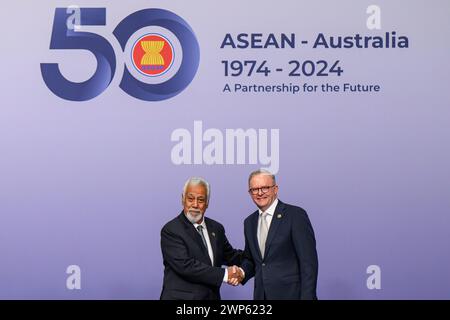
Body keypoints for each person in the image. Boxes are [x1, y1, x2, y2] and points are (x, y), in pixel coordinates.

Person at [239, 169, 318, 299]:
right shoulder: (249, 222)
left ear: (275, 189)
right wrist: (241, 273)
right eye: (254, 189)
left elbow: (308, 263)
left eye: (264, 188)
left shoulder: (295, 215)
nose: (259, 193)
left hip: (292, 295)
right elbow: (252, 260)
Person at [160, 177, 243, 300]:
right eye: (190, 199)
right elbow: (187, 266)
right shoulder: (171, 230)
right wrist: (226, 274)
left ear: (207, 203)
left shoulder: (216, 228)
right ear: (182, 199)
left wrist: (257, 256)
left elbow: (231, 256)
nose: (195, 204)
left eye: (200, 200)